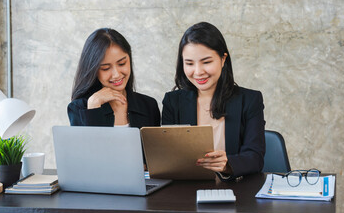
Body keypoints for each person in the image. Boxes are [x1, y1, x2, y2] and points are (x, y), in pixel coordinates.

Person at [162, 22, 266, 180]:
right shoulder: (172, 102)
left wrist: (227, 164)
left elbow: (255, 157)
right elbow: (168, 156)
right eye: (189, 63)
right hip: (186, 192)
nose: (198, 72)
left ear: (223, 59)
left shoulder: (250, 100)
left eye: (206, 62)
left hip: (236, 191)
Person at [68, 28, 160, 128]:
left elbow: (155, 144)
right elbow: (90, 143)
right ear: (93, 70)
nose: (116, 75)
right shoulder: (79, 108)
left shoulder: (148, 105)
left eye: (122, 63)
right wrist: (94, 107)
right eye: (106, 68)